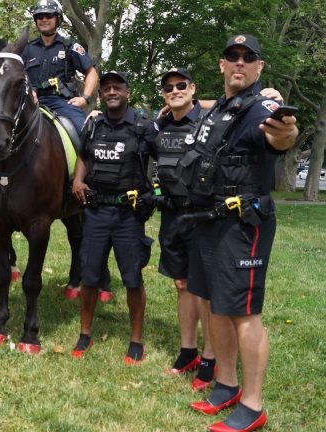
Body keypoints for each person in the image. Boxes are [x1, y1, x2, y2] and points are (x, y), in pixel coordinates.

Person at [184, 34, 298, 432]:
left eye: (248, 58)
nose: (239, 63)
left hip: (242, 224)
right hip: (208, 220)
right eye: (232, 57)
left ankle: (253, 404)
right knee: (215, 304)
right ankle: (226, 384)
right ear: (221, 65)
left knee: (244, 314)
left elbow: (280, 133)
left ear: (259, 67)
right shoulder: (221, 108)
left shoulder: (261, 106)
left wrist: (286, 132)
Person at [71, 71, 153, 364]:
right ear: (101, 94)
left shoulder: (144, 126)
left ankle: (135, 340)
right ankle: (84, 333)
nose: (111, 91)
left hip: (128, 213)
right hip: (95, 211)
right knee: (90, 275)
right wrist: (78, 181)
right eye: (106, 88)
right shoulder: (93, 125)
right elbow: (84, 156)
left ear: (127, 92)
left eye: (117, 87)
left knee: (132, 278)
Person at [143, 68, 216, 390]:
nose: (175, 90)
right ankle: (188, 352)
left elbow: (235, 105)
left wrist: (270, 97)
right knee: (182, 285)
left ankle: (211, 358)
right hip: (171, 216)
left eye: (181, 85)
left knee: (206, 291)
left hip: (203, 217)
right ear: (163, 94)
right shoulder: (159, 127)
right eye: (169, 87)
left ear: (193, 88)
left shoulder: (208, 122)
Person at [22, 0, 99, 134]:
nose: (44, 19)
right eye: (40, 16)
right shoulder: (26, 49)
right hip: (30, 102)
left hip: (61, 102)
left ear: (58, 18)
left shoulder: (69, 46)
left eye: (49, 15)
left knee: (86, 132)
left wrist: (85, 98)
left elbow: (91, 72)